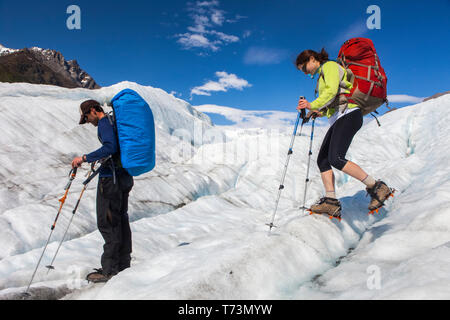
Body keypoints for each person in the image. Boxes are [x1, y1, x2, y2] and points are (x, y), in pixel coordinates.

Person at [295, 48, 394, 219]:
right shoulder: (322, 75)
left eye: (303, 68)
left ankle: (377, 187)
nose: (304, 73)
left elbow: (332, 91)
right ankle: (331, 202)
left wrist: (311, 105)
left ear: (312, 59)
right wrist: (318, 112)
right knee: (323, 160)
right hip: (340, 115)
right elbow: (333, 101)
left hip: (349, 114)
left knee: (336, 158)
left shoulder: (330, 67)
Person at [71, 99, 134, 283]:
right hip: (124, 177)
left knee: (108, 221)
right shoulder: (114, 123)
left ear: (92, 110)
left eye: (86, 117)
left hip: (110, 180)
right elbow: (114, 150)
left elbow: (110, 147)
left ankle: (110, 270)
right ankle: (123, 264)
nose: (88, 121)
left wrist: (84, 158)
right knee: (121, 219)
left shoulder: (105, 123)